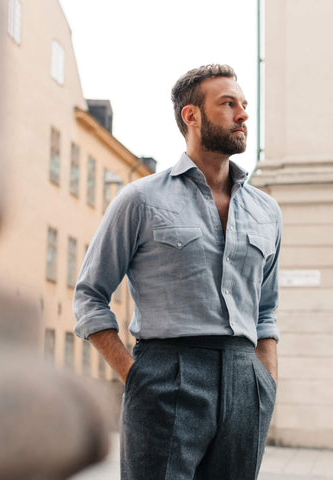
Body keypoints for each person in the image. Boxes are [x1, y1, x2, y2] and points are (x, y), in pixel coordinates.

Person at [73, 64, 281, 480]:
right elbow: (89, 295)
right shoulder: (141, 200)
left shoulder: (267, 211)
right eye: (228, 104)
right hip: (166, 374)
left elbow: (267, 309)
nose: (243, 115)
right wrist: (137, 377)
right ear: (191, 116)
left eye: (244, 105)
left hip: (245, 380)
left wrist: (265, 381)